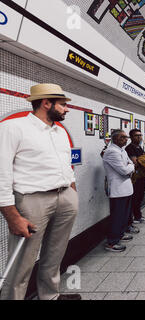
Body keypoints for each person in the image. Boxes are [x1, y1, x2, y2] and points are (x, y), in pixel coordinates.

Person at [0, 83, 80, 300]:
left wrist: (72, 192)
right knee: (22, 261)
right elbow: (2, 173)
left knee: (54, 254)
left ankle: (50, 296)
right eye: (62, 104)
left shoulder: (59, 132)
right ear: (46, 103)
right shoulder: (13, 128)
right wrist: (12, 216)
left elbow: (65, 166)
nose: (66, 109)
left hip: (65, 197)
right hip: (32, 201)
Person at [102, 130, 136, 252]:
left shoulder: (121, 150)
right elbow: (124, 170)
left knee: (124, 215)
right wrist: (130, 166)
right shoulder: (111, 152)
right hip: (118, 189)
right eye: (122, 137)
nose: (126, 139)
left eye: (126, 137)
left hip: (126, 188)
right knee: (117, 216)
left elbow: (130, 163)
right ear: (115, 139)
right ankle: (111, 242)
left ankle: (120, 234)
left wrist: (130, 165)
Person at [125, 129, 145, 225]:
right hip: (134, 177)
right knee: (135, 197)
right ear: (131, 137)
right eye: (136, 135)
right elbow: (136, 162)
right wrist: (143, 159)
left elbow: (143, 159)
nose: (139, 137)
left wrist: (143, 159)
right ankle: (135, 217)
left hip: (141, 175)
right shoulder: (130, 148)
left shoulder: (139, 147)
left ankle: (138, 215)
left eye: (140, 135)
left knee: (140, 196)